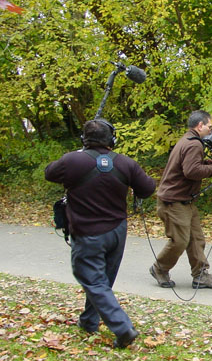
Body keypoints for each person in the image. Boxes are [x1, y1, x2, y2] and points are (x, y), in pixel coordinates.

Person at [45, 118, 156, 349]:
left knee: (94, 281)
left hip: (88, 233)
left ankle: (123, 328)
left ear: (83, 140)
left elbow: (50, 173)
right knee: (101, 281)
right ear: (112, 140)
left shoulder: (72, 160)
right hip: (117, 232)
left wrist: (76, 155)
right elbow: (148, 189)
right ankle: (89, 321)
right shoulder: (126, 163)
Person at [149, 110, 212, 289]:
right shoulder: (194, 144)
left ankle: (201, 275)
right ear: (199, 125)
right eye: (209, 127)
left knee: (196, 238)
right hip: (174, 202)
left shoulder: (188, 140)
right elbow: (191, 171)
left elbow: (190, 165)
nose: (211, 131)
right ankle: (159, 268)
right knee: (179, 241)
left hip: (184, 200)